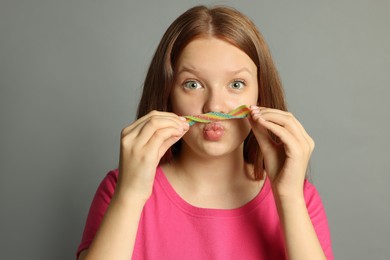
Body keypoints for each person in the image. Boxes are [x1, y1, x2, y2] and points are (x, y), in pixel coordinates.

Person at [77, 5, 333, 260]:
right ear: (168, 95)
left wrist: (289, 199)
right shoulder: (119, 190)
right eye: (193, 84)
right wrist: (130, 196)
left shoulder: (301, 199)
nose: (214, 105)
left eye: (236, 84)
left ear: (260, 93)